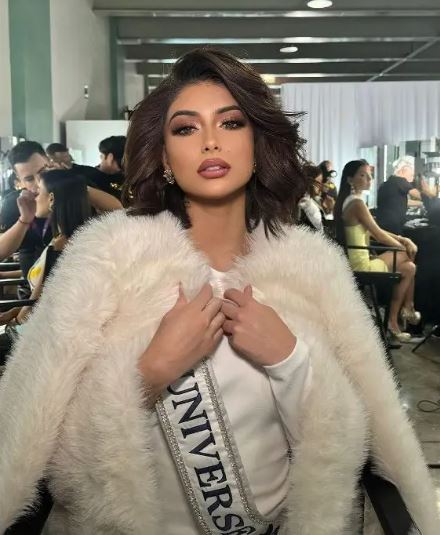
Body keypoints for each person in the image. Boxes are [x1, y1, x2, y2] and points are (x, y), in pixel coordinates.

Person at [0, 49, 438, 535]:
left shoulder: (311, 266)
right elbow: (52, 455)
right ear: (164, 156)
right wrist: (148, 375)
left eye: (231, 123)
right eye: (186, 128)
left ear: (257, 144)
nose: (211, 141)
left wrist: (290, 362)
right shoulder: (107, 258)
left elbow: (343, 447)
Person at [334, 160, 421, 342]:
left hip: (361, 259)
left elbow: (376, 231)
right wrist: (402, 247)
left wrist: (402, 240)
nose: (369, 178)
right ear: (350, 179)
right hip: (361, 264)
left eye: (369, 174)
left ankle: (394, 320)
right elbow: (379, 235)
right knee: (408, 255)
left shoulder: (353, 201)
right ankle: (407, 309)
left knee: (409, 268)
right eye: (362, 175)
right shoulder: (356, 203)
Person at [0, 169, 91, 329]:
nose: (35, 197)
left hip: (43, 330)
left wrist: (14, 324)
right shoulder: (67, 238)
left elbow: (37, 305)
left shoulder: (61, 245)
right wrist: (15, 311)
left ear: (52, 199)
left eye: (39, 192)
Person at [1, 141, 53, 277]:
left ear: (50, 164)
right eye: (29, 179)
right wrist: (24, 220)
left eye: (43, 172)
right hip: (32, 281)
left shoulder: (71, 189)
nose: (39, 183)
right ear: (19, 180)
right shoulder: (14, 203)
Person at [376, 155, 423, 235]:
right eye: (412, 174)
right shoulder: (399, 181)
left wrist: (422, 204)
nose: (413, 177)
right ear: (405, 169)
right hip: (392, 226)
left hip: (384, 225)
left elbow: (401, 202)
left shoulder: (389, 183)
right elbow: (420, 195)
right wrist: (431, 190)